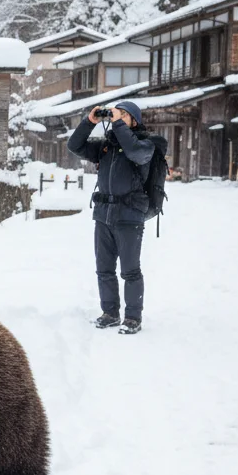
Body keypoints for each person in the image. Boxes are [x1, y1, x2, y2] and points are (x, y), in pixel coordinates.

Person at [67, 100, 155, 335]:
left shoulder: (145, 144)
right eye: (117, 114)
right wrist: (89, 122)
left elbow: (135, 151)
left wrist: (117, 123)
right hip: (103, 215)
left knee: (130, 271)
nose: (118, 117)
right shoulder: (106, 146)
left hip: (129, 217)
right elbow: (74, 145)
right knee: (104, 269)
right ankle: (110, 313)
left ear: (134, 121)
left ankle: (133, 318)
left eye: (124, 115)